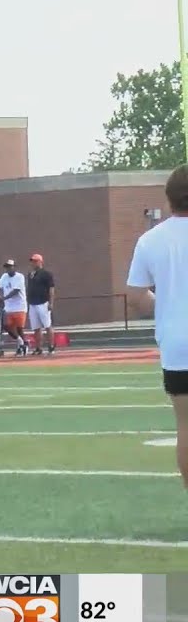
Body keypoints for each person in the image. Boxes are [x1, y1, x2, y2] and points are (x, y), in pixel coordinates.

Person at [127, 163, 188, 491]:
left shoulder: (150, 240)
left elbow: (136, 297)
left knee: (186, 427)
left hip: (178, 345)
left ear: (169, 199)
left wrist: (165, 304)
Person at [0, 259, 28, 356]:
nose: (8, 269)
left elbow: (16, 291)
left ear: (14, 267)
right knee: (7, 326)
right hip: (9, 307)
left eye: (10, 267)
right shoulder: (4, 277)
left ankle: (22, 348)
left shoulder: (19, 277)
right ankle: (22, 343)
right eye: (7, 267)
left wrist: (4, 298)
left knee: (19, 329)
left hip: (20, 306)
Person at [26, 253, 56, 355]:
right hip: (33, 303)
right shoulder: (30, 274)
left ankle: (51, 346)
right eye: (32, 261)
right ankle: (38, 347)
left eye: (35, 261)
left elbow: (51, 289)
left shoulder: (46, 274)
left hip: (43, 302)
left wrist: (51, 302)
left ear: (40, 262)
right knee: (36, 327)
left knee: (47, 325)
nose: (33, 263)